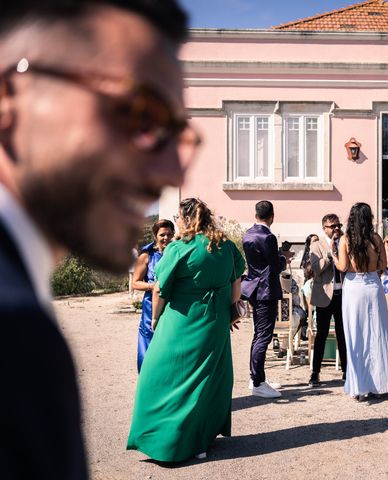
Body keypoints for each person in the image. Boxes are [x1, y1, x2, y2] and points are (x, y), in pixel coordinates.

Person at [0, 2, 191, 478]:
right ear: (8, 99)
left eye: (177, 135)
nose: (171, 170)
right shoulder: (14, 331)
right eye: (138, 114)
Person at [127, 198, 245, 462]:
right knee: (206, 380)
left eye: (178, 218)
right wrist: (231, 311)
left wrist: (155, 320)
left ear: (185, 219)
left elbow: (159, 288)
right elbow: (236, 280)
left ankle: (167, 441)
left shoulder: (180, 247)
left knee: (157, 377)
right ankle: (201, 440)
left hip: (181, 320)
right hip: (215, 321)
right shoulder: (225, 246)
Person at [335, 202, 388, 400]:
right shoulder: (376, 238)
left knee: (355, 335)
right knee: (377, 333)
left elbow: (343, 266)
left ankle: (359, 386)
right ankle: (378, 384)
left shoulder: (346, 240)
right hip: (373, 285)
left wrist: (333, 257)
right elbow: (383, 264)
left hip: (354, 288)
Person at [241, 200, 293, 398]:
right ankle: (257, 382)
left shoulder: (248, 234)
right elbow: (274, 265)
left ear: (256, 215)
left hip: (253, 288)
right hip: (266, 290)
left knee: (258, 333)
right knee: (264, 335)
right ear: (272, 216)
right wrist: (284, 258)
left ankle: (256, 375)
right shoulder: (268, 236)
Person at [308, 214, 348, 386]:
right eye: (332, 226)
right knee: (321, 335)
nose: (336, 229)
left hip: (343, 294)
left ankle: (347, 372)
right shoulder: (316, 245)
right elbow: (316, 269)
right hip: (324, 296)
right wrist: (331, 255)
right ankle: (315, 373)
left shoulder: (345, 242)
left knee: (343, 335)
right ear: (324, 228)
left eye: (338, 225)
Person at [131, 218, 175, 372]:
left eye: (169, 234)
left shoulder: (177, 252)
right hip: (151, 306)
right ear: (155, 235)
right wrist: (153, 286)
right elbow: (135, 283)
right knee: (149, 346)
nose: (166, 238)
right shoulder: (147, 255)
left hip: (173, 306)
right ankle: (147, 382)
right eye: (162, 234)